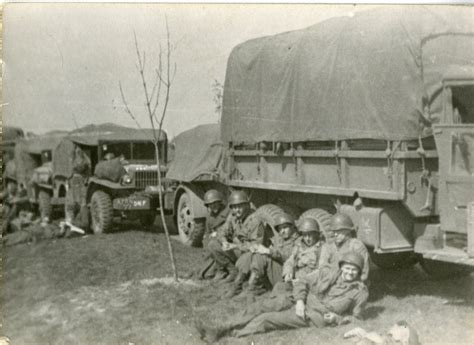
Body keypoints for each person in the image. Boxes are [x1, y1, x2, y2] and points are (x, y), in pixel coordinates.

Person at [197, 252, 368, 342]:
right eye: (347, 268)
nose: (350, 272)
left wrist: (338, 318)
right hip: (300, 301)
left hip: (314, 315)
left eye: (354, 270)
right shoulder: (327, 273)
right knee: (261, 306)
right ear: (342, 267)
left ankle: (232, 334)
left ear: (359, 272)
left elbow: (357, 319)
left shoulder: (360, 291)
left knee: (266, 319)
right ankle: (220, 327)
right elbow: (302, 282)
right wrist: (300, 301)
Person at [207, 190, 268, 287]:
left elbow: (256, 245)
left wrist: (235, 246)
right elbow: (222, 230)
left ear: (246, 206)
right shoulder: (233, 216)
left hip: (249, 255)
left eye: (239, 206)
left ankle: (242, 278)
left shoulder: (255, 220)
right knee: (212, 245)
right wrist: (224, 241)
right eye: (234, 207)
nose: (237, 210)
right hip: (236, 250)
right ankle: (232, 271)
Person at [249, 213, 300, 291]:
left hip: (289, 275)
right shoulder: (282, 240)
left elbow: (289, 258)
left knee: (262, 256)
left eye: (285, 227)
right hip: (280, 271)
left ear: (292, 227)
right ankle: (253, 286)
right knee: (259, 255)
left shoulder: (298, 241)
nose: (282, 231)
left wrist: (269, 251)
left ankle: (254, 288)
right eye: (280, 229)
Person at [319, 213, 370, 282]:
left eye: (339, 231)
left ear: (347, 231)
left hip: (353, 283)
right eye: (334, 231)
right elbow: (322, 269)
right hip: (331, 281)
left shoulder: (357, 246)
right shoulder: (328, 247)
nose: (335, 234)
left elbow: (364, 274)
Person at [196, 189, 230, 280]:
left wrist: (217, 234)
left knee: (208, 274)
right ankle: (203, 269)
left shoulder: (228, 213)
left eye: (215, 203)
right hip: (212, 245)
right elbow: (207, 232)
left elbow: (230, 229)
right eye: (210, 204)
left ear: (220, 202)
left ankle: (221, 270)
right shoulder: (210, 216)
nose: (213, 206)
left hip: (225, 242)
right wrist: (206, 239)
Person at [65, 146, 91, 226]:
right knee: (83, 202)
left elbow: (69, 172)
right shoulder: (85, 159)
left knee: (71, 203)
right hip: (82, 181)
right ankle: (85, 223)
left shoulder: (73, 159)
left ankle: (70, 222)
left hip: (73, 180)